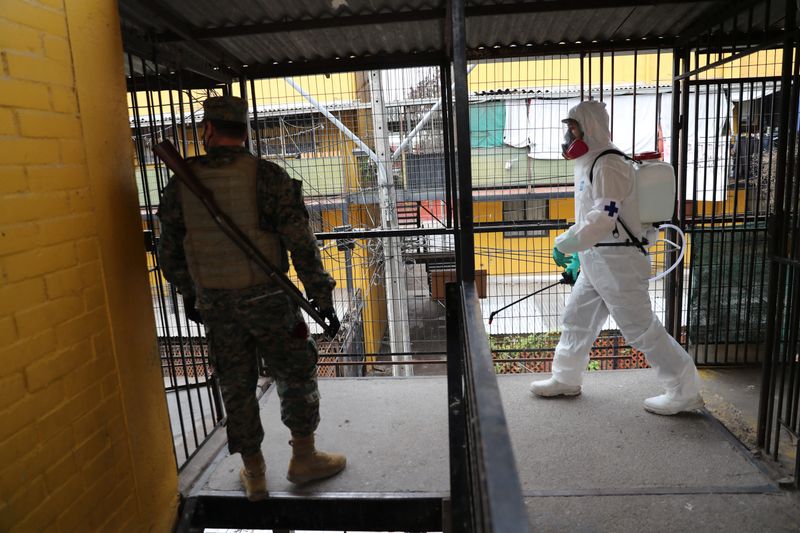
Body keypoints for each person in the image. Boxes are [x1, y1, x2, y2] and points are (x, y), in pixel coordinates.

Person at [157, 95, 345, 501]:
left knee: (236, 385)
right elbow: (302, 246)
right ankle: (304, 458)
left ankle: (255, 474)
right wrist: (322, 298)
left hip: (217, 305)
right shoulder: (269, 178)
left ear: (207, 130)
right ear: (244, 132)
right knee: (295, 373)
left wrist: (192, 294)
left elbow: (168, 253)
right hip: (270, 301)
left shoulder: (181, 184)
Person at [529, 100, 704, 416]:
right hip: (599, 259)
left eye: (573, 128)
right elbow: (592, 217)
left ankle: (683, 389)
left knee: (639, 328)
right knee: (577, 318)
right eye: (568, 129)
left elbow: (604, 217)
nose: (569, 136)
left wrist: (565, 243)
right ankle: (566, 377)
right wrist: (580, 254)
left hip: (617, 263)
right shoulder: (589, 162)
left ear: (590, 127)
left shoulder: (608, 164)